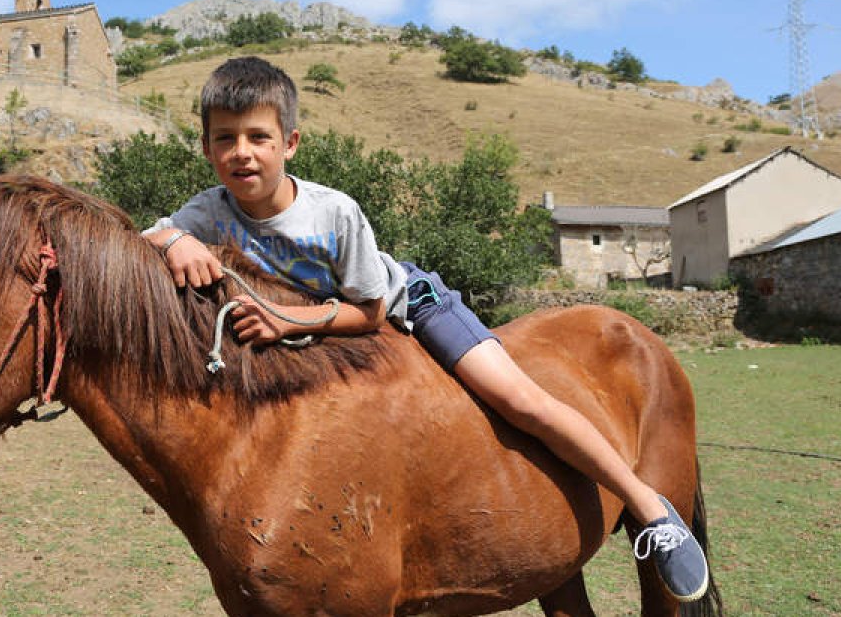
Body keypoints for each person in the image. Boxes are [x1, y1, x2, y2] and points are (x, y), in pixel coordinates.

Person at [143, 56, 709, 602]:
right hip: (321, 338)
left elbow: (368, 311)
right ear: (206, 147)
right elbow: (144, 237)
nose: (241, 153)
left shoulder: (333, 212)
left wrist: (290, 319)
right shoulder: (209, 210)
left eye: (258, 137)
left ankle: (651, 510)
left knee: (519, 399)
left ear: (289, 143)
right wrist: (175, 239)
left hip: (406, 304)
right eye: (225, 138)